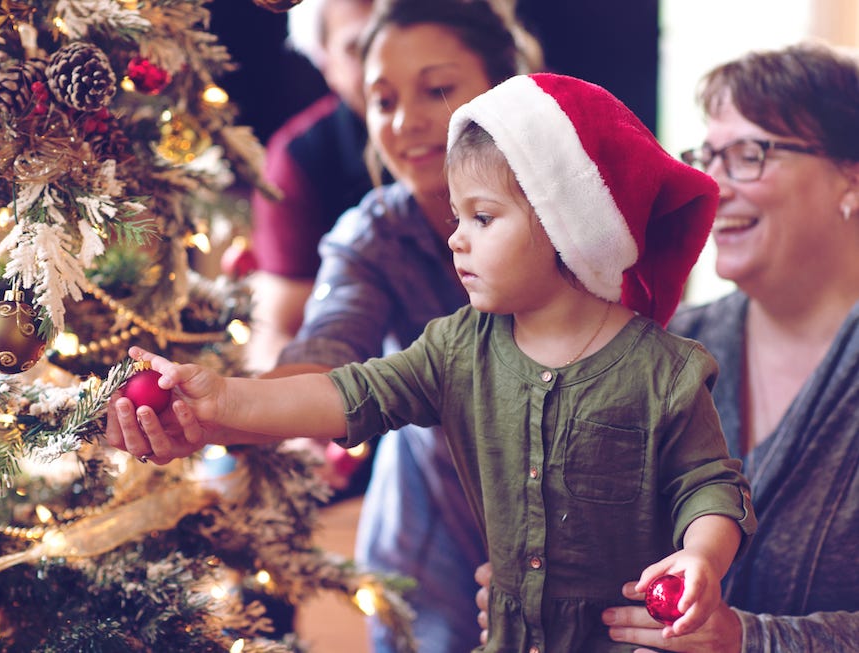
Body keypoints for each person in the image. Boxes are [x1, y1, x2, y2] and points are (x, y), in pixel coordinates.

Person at [108, 72, 759, 652]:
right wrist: (222, 399)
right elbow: (345, 395)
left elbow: (711, 484)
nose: (456, 237)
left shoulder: (665, 371)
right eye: (457, 216)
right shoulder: (457, 346)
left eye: (482, 217)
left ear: (569, 227)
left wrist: (700, 556)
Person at [108, 1, 544, 650]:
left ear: (505, 86)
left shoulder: (580, 207)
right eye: (383, 99)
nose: (407, 122)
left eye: (439, 89)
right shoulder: (372, 237)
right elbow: (326, 359)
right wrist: (209, 413)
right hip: (437, 526)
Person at [595, 42, 859, 653]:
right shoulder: (672, 345)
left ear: (851, 176)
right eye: (708, 157)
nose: (713, 184)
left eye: (749, 154)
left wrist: (748, 639)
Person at [246, 0, 375, 372]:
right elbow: (276, 329)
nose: (384, 57)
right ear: (325, 62)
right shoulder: (298, 159)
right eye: (358, 48)